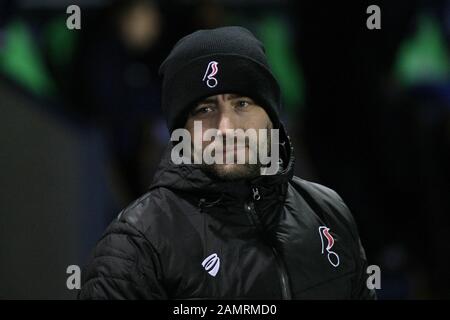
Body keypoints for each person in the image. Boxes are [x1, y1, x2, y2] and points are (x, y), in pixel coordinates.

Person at [79, 26, 376, 299]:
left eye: (242, 104)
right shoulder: (136, 245)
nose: (225, 127)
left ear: (272, 117)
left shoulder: (328, 212)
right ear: (182, 132)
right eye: (205, 109)